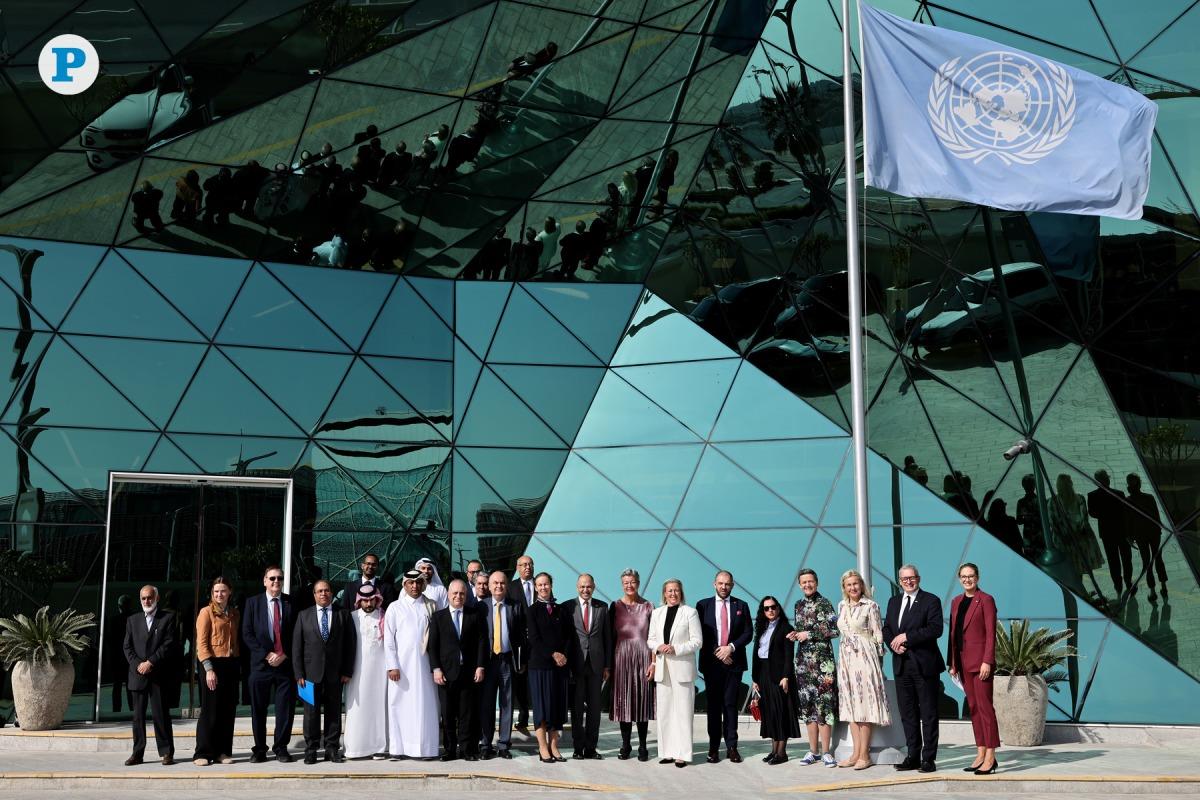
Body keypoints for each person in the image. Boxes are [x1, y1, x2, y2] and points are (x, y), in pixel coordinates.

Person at [882, 564, 945, 774]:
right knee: (907, 714)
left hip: (924, 665)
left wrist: (907, 637)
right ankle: (913, 756)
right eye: (904, 579)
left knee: (928, 714)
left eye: (912, 578)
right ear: (899, 581)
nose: (908, 581)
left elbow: (935, 629)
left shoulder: (931, 600)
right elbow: (886, 629)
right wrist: (894, 644)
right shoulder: (893, 602)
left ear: (918, 578)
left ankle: (928, 759)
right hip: (902, 665)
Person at [292, 579, 356, 764]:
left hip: (335, 674)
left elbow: (350, 645)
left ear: (331, 593)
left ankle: (331, 749)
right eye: (319, 591)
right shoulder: (304, 615)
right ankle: (311, 750)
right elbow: (297, 647)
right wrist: (298, 673)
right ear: (314, 594)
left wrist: (347, 670)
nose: (323, 594)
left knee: (333, 712)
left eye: (326, 590)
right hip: (309, 675)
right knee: (310, 714)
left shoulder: (343, 614)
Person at [947, 563, 1000, 775]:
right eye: (963, 576)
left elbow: (991, 633)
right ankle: (980, 752)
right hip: (962, 662)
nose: (967, 579)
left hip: (980, 663)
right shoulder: (956, 601)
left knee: (985, 708)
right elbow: (953, 634)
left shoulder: (986, 600)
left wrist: (988, 661)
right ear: (959, 579)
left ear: (977, 577)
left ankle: (991, 756)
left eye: (970, 576)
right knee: (974, 708)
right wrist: (953, 662)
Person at [695, 570, 752, 764]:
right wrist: (719, 652)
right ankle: (713, 748)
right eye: (720, 583)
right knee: (713, 707)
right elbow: (700, 633)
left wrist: (731, 648)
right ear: (714, 584)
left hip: (734, 664)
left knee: (730, 705)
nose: (724, 587)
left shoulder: (741, 605)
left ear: (732, 585)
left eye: (727, 584)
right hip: (712, 664)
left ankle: (732, 747)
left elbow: (748, 633)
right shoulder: (703, 605)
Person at [241, 565, 297, 763]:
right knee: (258, 710)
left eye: (279, 578)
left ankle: (281, 748)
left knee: (285, 710)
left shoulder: (291, 602)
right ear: (264, 581)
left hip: (285, 665)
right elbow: (247, 633)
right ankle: (259, 749)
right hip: (260, 666)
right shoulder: (252, 603)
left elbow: (297, 634)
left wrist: (285, 654)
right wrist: (266, 654)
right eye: (272, 578)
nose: (276, 582)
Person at [835, 569, 890, 770]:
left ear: (861, 585)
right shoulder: (841, 606)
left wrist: (878, 664)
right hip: (846, 659)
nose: (853, 588)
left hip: (865, 657)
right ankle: (855, 753)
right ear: (844, 587)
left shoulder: (871, 606)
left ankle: (865, 755)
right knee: (851, 706)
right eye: (849, 584)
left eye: (856, 584)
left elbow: (878, 635)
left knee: (865, 705)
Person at [382, 570, 439, 759]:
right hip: (401, 668)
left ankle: (426, 749)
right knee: (398, 705)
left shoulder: (431, 606)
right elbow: (389, 640)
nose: (415, 586)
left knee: (425, 707)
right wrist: (392, 665)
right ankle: (398, 749)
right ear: (404, 585)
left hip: (425, 667)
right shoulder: (395, 607)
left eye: (418, 582)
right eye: (410, 583)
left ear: (423, 584)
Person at [429, 579, 487, 761]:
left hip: (468, 673)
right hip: (446, 674)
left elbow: (482, 642)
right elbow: (433, 646)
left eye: (462, 593)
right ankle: (450, 750)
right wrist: (436, 669)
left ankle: (466, 750)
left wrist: (480, 665)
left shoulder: (474, 615)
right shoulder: (438, 617)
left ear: (466, 595)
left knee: (466, 714)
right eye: (455, 593)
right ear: (448, 594)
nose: (458, 596)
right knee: (447, 715)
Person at [647, 578, 702, 768]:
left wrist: (676, 648)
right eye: (669, 591)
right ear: (664, 593)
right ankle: (667, 752)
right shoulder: (657, 613)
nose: (673, 594)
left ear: (681, 592)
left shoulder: (690, 613)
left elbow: (697, 641)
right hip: (663, 669)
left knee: (683, 713)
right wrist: (658, 646)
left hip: (682, 668)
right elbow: (650, 639)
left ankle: (682, 754)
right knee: (665, 713)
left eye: (676, 590)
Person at [787, 568, 838, 767]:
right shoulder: (798, 605)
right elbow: (802, 631)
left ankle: (826, 752)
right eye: (804, 582)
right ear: (800, 585)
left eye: (810, 581)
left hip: (823, 665)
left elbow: (835, 630)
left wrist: (809, 634)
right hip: (803, 664)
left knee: (824, 707)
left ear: (816, 582)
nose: (807, 585)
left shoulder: (825, 603)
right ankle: (813, 751)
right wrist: (795, 634)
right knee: (808, 707)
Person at [123, 585, 176, 766]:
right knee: (138, 717)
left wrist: (150, 662)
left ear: (157, 598)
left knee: (161, 715)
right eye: (143, 598)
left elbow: (168, 643)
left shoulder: (167, 618)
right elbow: (127, 647)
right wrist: (138, 664)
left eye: (150, 597)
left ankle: (166, 752)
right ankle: (137, 754)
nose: (147, 601)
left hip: (158, 674)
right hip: (137, 674)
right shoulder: (132, 620)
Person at [192, 577, 240, 766]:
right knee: (210, 710)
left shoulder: (234, 613)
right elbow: (201, 644)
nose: (220, 594)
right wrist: (209, 669)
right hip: (212, 665)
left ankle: (223, 752)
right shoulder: (206, 613)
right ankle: (202, 752)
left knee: (227, 710)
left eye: (223, 591)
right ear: (212, 593)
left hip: (230, 664)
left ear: (229, 592)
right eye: (216, 591)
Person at [526, 572, 573, 763]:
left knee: (556, 708)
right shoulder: (532, 611)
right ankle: (543, 747)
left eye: (546, 584)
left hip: (559, 667)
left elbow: (569, 636)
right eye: (540, 585)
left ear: (551, 585)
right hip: (539, 666)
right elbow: (534, 639)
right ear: (535, 588)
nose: (543, 587)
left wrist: (563, 655)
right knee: (542, 708)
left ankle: (554, 746)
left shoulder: (561, 610)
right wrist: (553, 654)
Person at [564, 573, 610, 760]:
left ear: (594, 587)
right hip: (576, 665)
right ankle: (578, 748)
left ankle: (591, 748)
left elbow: (607, 638)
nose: (585, 590)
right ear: (577, 587)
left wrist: (607, 666)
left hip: (596, 665)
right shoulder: (568, 607)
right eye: (582, 586)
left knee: (594, 709)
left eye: (588, 586)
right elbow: (566, 638)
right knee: (576, 709)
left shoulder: (602, 607)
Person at [609, 568, 654, 761]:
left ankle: (643, 746)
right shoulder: (615, 606)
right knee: (624, 703)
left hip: (644, 658)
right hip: (621, 659)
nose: (629, 585)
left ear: (638, 583)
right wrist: (608, 665)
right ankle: (626, 744)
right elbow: (609, 637)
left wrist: (654, 663)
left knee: (642, 703)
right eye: (626, 582)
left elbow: (654, 637)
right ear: (622, 584)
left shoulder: (649, 606)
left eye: (633, 582)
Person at [481, 570, 526, 759]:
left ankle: (503, 745)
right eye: (495, 583)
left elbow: (522, 636)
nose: (499, 586)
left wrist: (521, 661)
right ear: (489, 586)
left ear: (506, 586)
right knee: (487, 704)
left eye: (502, 583)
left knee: (507, 704)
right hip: (488, 661)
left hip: (508, 660)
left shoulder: (515, 606)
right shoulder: (481, 607)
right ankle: (485, 744)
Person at [751, 596, 799, 764]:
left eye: (773, 607)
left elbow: (788, 656)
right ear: (763, 611)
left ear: (778, 608)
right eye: (766, 608)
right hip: (763, 674)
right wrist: (755, 678)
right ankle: (773, 751)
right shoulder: (762, 628)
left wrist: (786, 676)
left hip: (779, 676)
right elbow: (756, 654)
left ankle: (782, 753)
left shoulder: (786, 628)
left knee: (781, 713)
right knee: (770, 713)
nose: (770, 610)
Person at [344, 584, 388, 759]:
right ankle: (355, 748)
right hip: (357, 672)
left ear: (377, 599)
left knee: (379, 709)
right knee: (357, 709)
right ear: (359, 601)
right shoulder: (351, 617)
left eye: (371, 600)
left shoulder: (384, 617)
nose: (368, 603)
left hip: (380, 673)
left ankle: (379, 748)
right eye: (365, 600)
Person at [1049, 473, 1105, 600]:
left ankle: (1078, 593)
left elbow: (1053, 522)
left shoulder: (1053, 501)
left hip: (1065, 540)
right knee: (1078, 567)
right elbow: (1084, 518)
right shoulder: (1079, 498)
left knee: (1071, 568)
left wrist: (1064, 535)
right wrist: (1078, 532)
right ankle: (1080, 593)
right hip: (1078, 539)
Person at [1088, 470, 1132, 598]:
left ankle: (1118, 585)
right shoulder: (1119, 493)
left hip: (1107, 533)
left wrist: (1104, 514)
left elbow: (1092, 513)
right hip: (1121, 531)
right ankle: (1128, 582)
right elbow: (1125, 513)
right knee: (1126, 559)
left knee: (1113, 561)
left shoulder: (1092, 495)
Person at [1126, 473, 1168, 602]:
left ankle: (1152, 591)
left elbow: (1128, 521)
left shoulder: (1128, 500)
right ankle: (1163, 586)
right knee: (1158, 558)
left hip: (1140, 534)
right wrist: (1159, 529)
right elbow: (1156, 515)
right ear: (1139, 484)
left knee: (1147, 562)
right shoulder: (1149, 497)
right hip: (1153, 532)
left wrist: (1129, 536)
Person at [507, 554, 536, 730]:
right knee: (520, 680)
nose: (527, 567)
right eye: (524, 564)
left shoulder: (540, 584)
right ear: (518, 568)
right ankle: (523, 715)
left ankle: (539, 716)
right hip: (518, 641)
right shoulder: (511, 587)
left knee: (536, 679)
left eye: (530, 564)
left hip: (537, 642)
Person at [1015, 474, 1045, 557]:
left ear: (1023, 487)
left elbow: (1019, 521)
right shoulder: (1040, 500)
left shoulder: (1021, 502)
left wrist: (1027, 518)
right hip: (1040, 534)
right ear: (1034, 486)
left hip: (1028, 535)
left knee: (1030, 557)